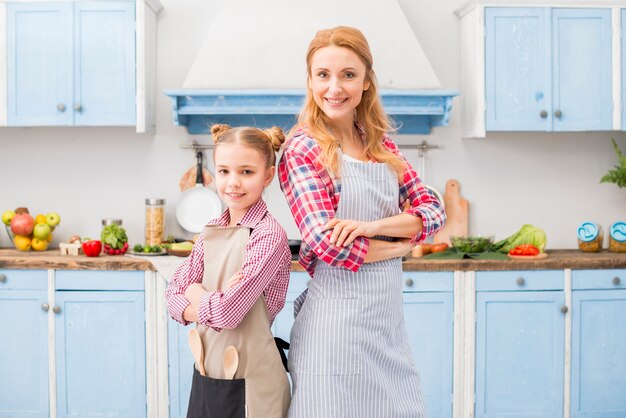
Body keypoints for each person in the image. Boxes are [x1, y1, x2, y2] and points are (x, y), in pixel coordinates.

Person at [278, 26, 446, 418]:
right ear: (310, 80)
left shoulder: (379, 143)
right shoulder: (303, 148)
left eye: (348, 75)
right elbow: (327, 246)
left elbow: (434, 210)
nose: (334, 87)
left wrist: (370, 228)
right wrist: (402, 243)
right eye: (323, 75)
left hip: (387, 326)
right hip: (334, 331)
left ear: (367, 82)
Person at [165, 124, 291, 418]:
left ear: (267, 176)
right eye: (224, 171)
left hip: (253, 384)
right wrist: (211, 299)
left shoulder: (268, 236)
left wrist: (195, 291)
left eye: (246, 172)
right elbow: (171, 293)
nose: (233, 182)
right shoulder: (211, 231)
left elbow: (228, 315)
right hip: (209, 374)